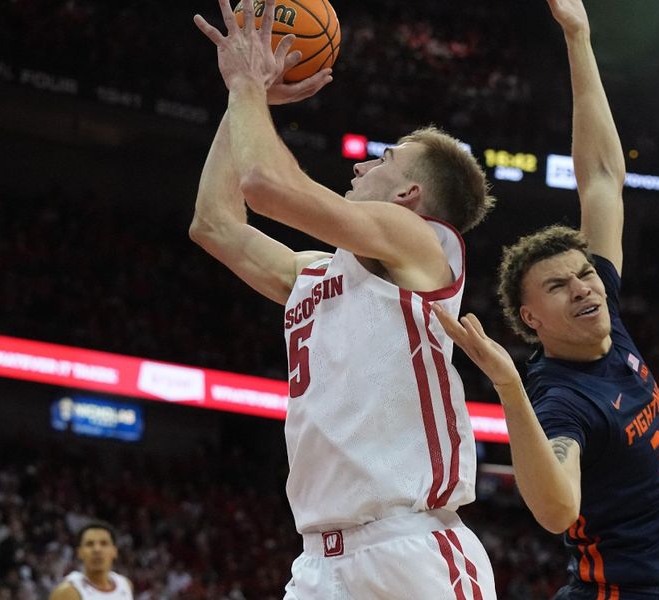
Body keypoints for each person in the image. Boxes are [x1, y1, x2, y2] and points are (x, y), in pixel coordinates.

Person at [190, 1, 497, 597]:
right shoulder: (317, 272)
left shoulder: (420, 244)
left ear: (409, 194)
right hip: (318, 563)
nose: (360, 162)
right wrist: (242, 105)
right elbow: (214, 225)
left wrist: (249, 85)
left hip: (410, 552)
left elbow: (267, 187)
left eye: (383, 158)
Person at [433, 0, 659, 598]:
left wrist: (579, 36)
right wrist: (507, 387)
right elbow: (556, 512)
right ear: (531, 319)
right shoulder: (561, 400)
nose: (584, 287)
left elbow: (602, 178)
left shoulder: (607, 320)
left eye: (584, 274)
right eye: (559, 286)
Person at [49, 521, 133, 600]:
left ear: (114, 551)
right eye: (89, 544)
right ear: (79, 552)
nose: (97, 549)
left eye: (104, 543)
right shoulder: (67, 592)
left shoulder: (125, 584)